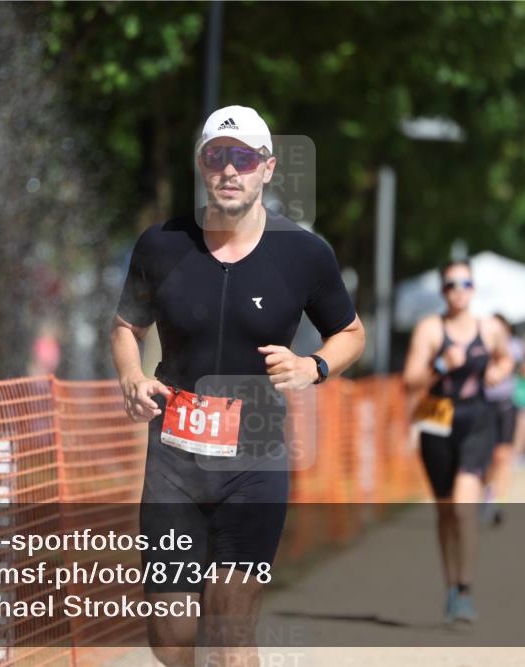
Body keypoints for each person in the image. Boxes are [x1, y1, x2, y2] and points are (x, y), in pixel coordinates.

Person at [111, 105, 365, 667]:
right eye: (216, 157)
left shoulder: (303, 254)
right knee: (171, 637)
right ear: (202, 166)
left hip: (255, 461)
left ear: (267, 169)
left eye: (243, 158)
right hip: (174, 463)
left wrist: (313, 367)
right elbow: (127, 327)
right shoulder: (162, 245)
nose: (230, 170)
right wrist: (131, 375)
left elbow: (350, 333)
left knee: (227, 632)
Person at [403, 260, 512, 624]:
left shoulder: (490, 328)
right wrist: (442, 365)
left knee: (465, 508)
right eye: (451, 284)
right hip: (436, 418)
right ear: (442, 291)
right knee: (446, 512)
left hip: (477, 419)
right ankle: (451, 587)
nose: (458, 290)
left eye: (465, 283)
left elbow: (506, 357)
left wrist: (500, 370)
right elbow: (410, 381)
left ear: (474, 289)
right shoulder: (430, 330)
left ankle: (465, 589)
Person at [481, 314, 523, 526]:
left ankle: (499, 502)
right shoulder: (482, 342)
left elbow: (512, 364)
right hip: (484, 405)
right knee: (487, 457)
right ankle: (487, 493)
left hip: (506, 406)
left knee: (503, 455)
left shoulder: (514, 346)